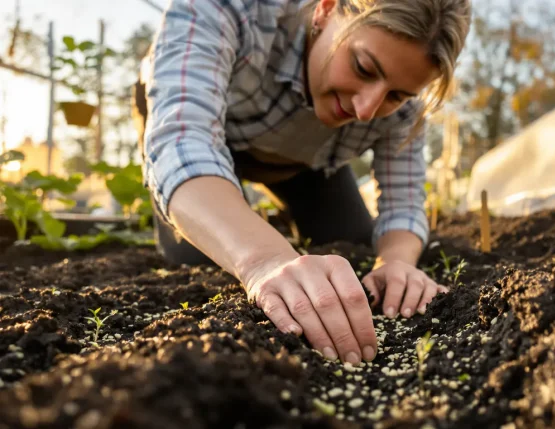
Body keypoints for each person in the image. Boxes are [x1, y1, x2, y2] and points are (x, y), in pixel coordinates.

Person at [133, 0, 471, 365]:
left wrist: (396, 262)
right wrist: (263, 259)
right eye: (363, 67)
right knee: (198, 259)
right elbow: (182, 143)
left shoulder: (402, 109)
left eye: (395, 95)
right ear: (326, 9)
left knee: (348, 241)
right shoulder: (232, 10)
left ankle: (269, 223)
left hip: (300, 164)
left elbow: (404, 205)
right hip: (204, 130)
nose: (366, 109)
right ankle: (256, 226)